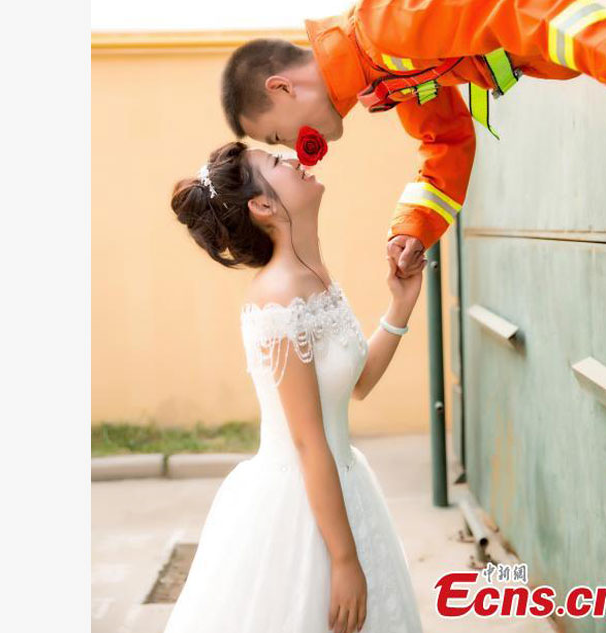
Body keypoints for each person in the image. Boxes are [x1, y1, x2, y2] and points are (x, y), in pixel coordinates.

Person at [163, 140, 426, 633]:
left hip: (341, 482)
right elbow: (307, 440)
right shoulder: (277, 297)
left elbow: (355, 384)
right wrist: (344, 561)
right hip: (299, 501)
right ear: (262, 206)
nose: (297, 161)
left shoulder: (313, 275)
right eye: (278, 163)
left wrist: (401, 305)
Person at [219, 0, 606, 280]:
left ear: (282, 88)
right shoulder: (380, 71)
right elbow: (447, 140)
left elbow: (512, 7)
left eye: (279, 134)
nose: (294, 148)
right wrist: (415, 229)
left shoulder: (382, 23)